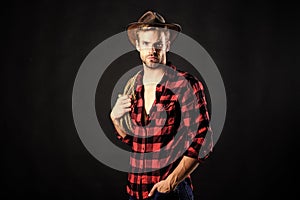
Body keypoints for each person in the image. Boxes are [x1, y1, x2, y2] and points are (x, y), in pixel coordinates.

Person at [110, 11, 213, 200]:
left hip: (169, 192)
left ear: (168, 44)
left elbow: (203, 139)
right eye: (146, 44)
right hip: (136, 191)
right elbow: (137, 142)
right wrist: (115, 118)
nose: (152, 50)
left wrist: (170, 183)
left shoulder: (185, 85)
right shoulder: (135, 87)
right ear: (138, 46)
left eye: (158, 44)